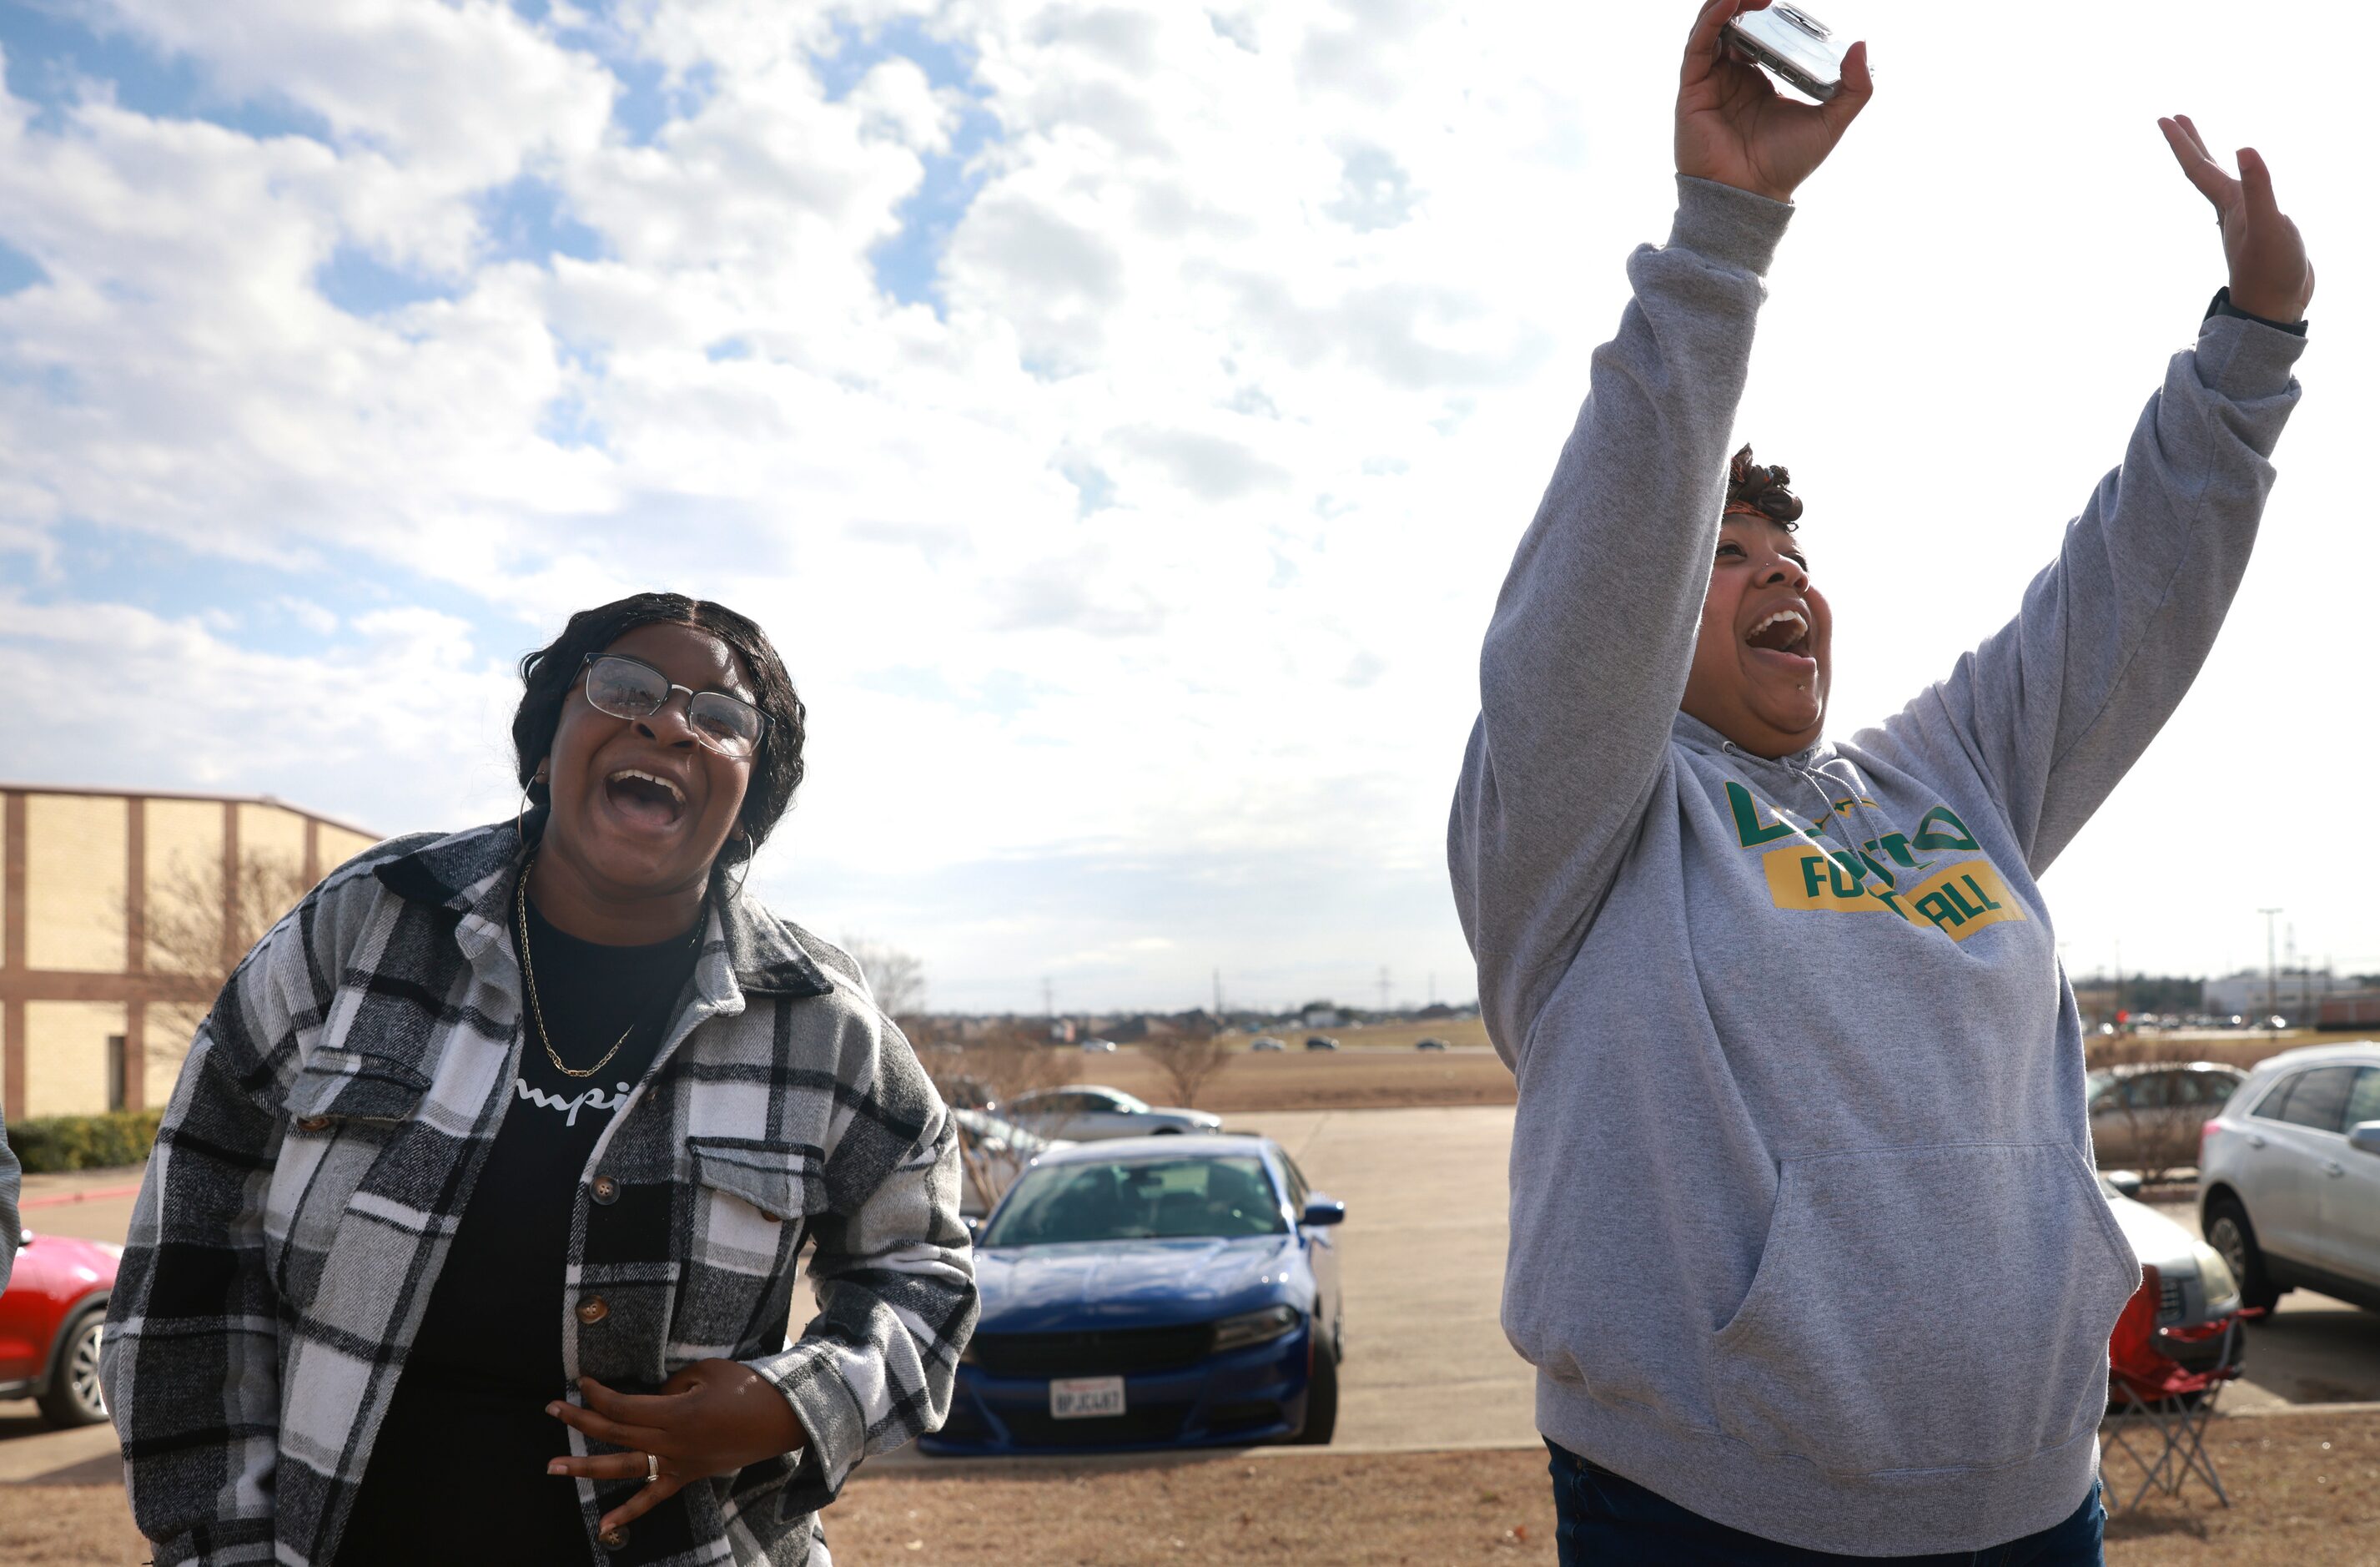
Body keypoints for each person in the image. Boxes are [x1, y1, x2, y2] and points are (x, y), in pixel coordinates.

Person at [1448, 2, 2312, 1561]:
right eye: (1721, 558)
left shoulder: (1942, 772)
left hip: (2036, 1506)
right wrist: (1724, 231)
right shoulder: (1585, 819)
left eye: (1792, 555)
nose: (1780, 577)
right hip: (1711, 1514)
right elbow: (1581, 611)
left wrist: (2246, 352)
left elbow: (2115, 597)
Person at [103, 593, 976, 1567]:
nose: (669, 721)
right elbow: (188, 1254)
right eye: (627, 686)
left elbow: (925, 1278)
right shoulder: (365, 927)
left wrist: (791, 1405)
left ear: (749, 802)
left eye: (722, 719)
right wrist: (219, 1543)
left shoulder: (824, 1028)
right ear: (548, 733)